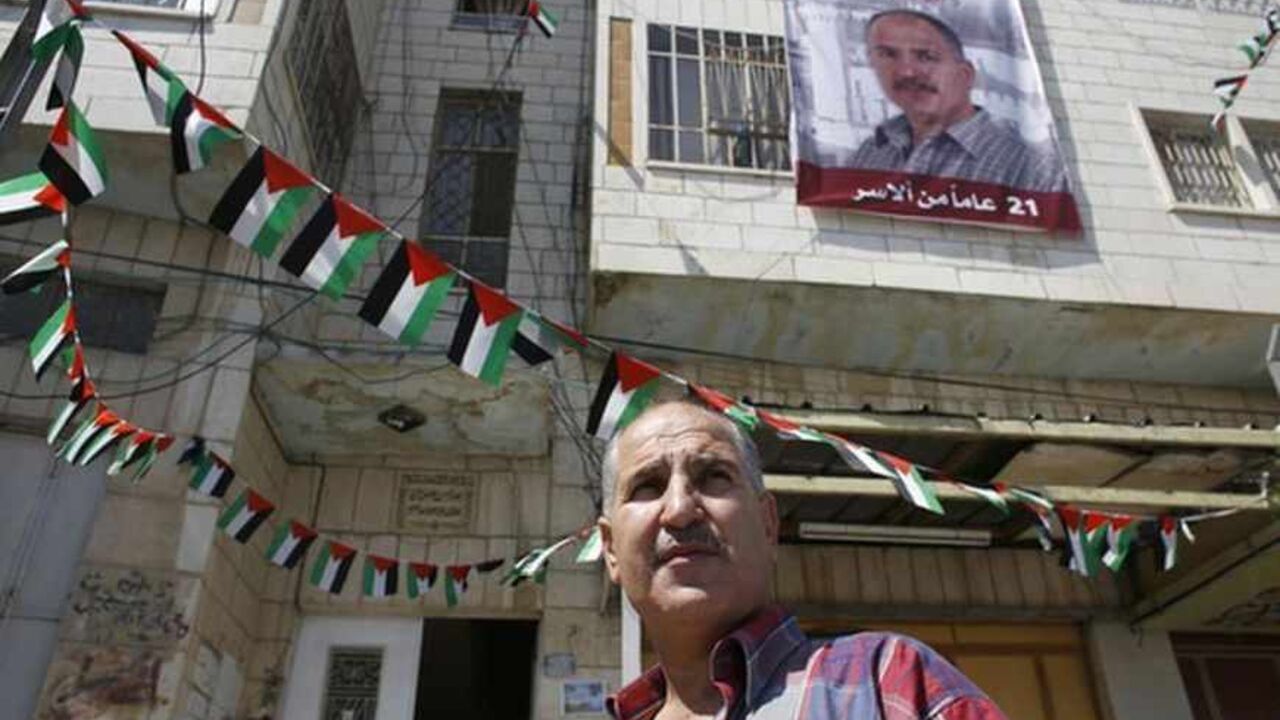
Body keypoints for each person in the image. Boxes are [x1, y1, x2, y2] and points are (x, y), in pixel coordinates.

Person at [598, 401, 1005, 720]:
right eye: (647, 486)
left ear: (768, 524)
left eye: (713, 477)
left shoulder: (889, 683)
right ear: (611, 548)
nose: (680, 509)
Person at [849, 9, 1068, 193]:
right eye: (888, 55)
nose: (907, 72)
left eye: (926, 57)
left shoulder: (1027, 164)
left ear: (965, 75)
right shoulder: (874, 150)